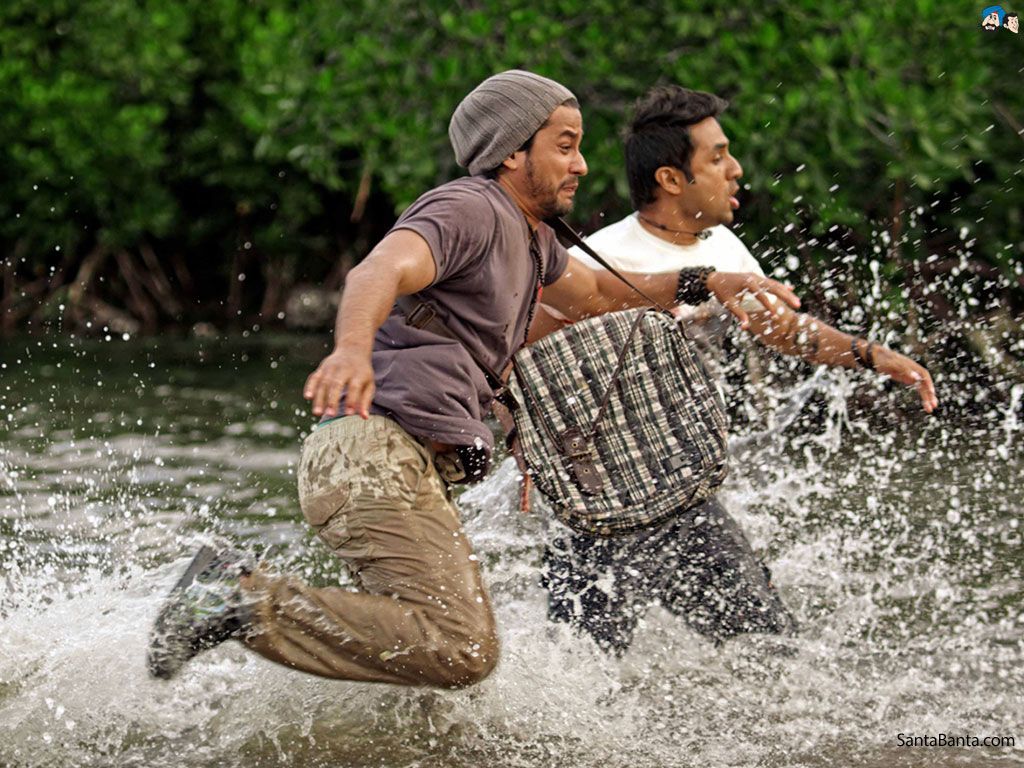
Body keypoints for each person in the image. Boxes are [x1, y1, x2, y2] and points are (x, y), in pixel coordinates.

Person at [147, 71, 801, 687]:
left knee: (440, 675)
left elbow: (600, 293)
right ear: (513, 152)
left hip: (391, 468)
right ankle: (234, 596)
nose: (582, 165)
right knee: (463, 648)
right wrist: (350, 351)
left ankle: (263, 636)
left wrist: (704, 280)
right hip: (371, 457)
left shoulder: (534, 238)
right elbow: (379, 271)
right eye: (565, 146)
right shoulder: (470, 208)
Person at [536, 85, 937, 655]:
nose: (736, 170)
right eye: (718, 157)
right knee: (573, 683)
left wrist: (870, 354)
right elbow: (529, 362)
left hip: (684, 495)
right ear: (672, 179)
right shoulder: (600, 261)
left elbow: (779, 328)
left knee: (771, 651)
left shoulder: (721, 247)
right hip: (599, 507)